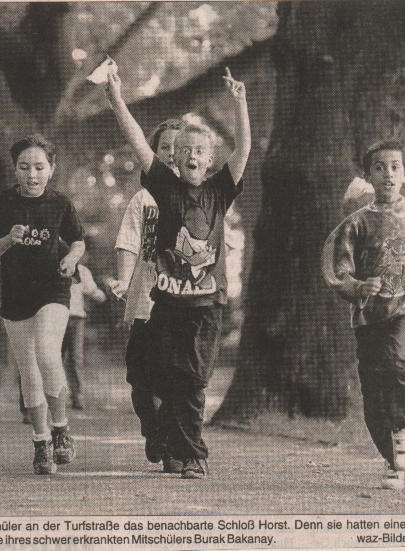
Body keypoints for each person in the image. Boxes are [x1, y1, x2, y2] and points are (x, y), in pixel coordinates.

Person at [105, 65, 250, 479]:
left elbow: (243, 150)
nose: (191, 155)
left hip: (207, 306)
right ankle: (187, 453)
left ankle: (188, 451)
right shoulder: (163, 189)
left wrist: (239, 104)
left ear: (210, 159)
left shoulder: (219, 191)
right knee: (169, 380)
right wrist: (116, 99)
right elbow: (138, 141)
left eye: (199, 150)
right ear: (174, 158)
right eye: (183, 149)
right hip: (167, 305)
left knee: (194, 380)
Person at [322, 140, 405, 491]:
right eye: (379, 168)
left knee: (397, 360)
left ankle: (404, 425)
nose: (388, 174)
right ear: (369, 176)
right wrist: (358, 286)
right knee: (373, 392)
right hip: (369, 317)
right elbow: (338, 272)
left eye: (395, 167)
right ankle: (394, 461)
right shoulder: (356, 223)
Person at [0, 134, 85, 475]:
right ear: (15, 169)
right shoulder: (1, 205)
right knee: (28, 370)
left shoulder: (60, 203)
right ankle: (41, 442)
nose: (32, 174)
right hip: (16, 294)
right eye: (24, 167)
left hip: (53, 287)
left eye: (40, 167)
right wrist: (7, 240)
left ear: (51, 169)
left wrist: (70, 259)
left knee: (46, 351)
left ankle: (61, 429)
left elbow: (78, 241)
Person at [112, 118, 185, 473]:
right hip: (145, 302)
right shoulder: (144, 200)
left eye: (179, 147)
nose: (172, 154)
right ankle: (153, 428)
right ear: (152, 154)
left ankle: (172, 444)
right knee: (140, 380)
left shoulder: (200, 198)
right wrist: (124, 282)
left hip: (183, 305)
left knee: (173, 376)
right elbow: (128, 244)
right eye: (164, 147)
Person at [63, 261, 107, 410]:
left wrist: (104, 295)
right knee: (55, 357)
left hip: (76, 317)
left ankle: (77, 396)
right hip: (58, 316)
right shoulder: (55, 267)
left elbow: (92, 291)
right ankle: (53, 395)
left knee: (75, 358)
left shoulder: (82, 270)